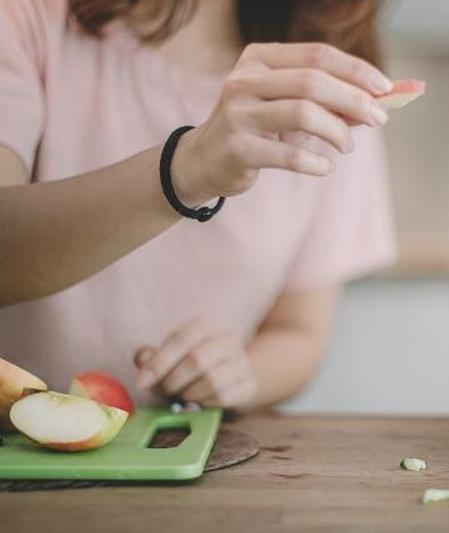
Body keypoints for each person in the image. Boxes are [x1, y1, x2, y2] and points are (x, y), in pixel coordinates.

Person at [0, 0, 396, 408]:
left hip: (202, 459)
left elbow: (299, 330)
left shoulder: (329, 82)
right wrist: (185, 170)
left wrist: (242, 374)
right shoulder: (25, 17)